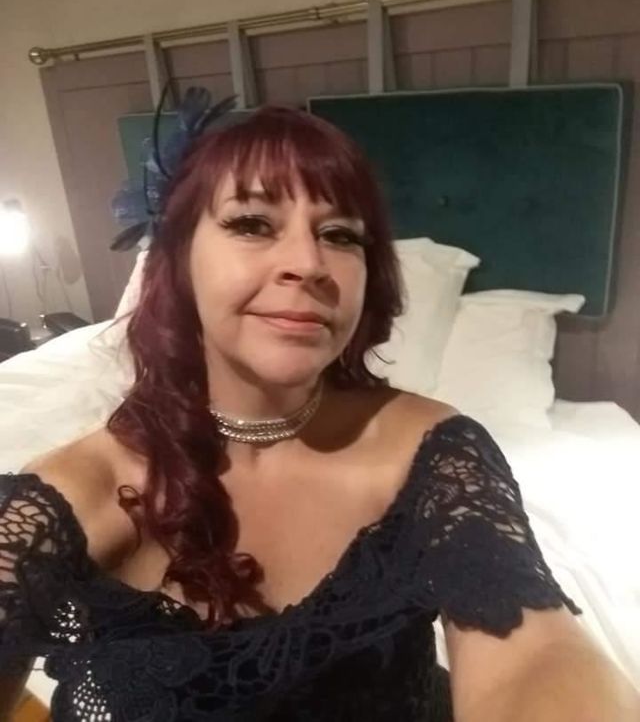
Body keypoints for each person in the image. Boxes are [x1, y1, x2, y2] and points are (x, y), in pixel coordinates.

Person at [0, 105, 638, 722]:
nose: (308, 264)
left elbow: (533, 651)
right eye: (252, 223)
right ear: (180, 261)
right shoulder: (63, 500)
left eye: (340, 235)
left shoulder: (432, 453)